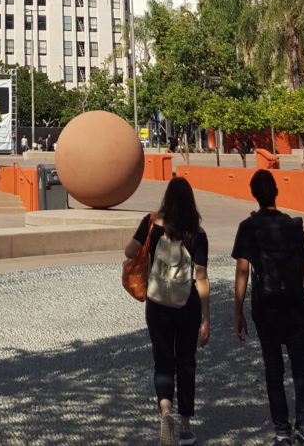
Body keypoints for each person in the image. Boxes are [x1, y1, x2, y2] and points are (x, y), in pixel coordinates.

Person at [232, 168, 304, 446]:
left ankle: (281, 431)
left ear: (253, 194)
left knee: (273, 370)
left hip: (265, 308)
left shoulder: (248, 227)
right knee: (303, 370)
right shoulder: (293, 227)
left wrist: (238, 311)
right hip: (296, 306)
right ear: (276, 192)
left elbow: (243, 272)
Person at [124, 177, 210, 446]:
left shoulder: (152, 224)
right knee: (186, 362)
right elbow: (202, 277)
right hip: (188, 305)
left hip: (158, 303)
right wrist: (206, 317)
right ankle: (185, 426)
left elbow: (129, 251)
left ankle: (165, 410)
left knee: (163, 360)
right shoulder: (198, 233)